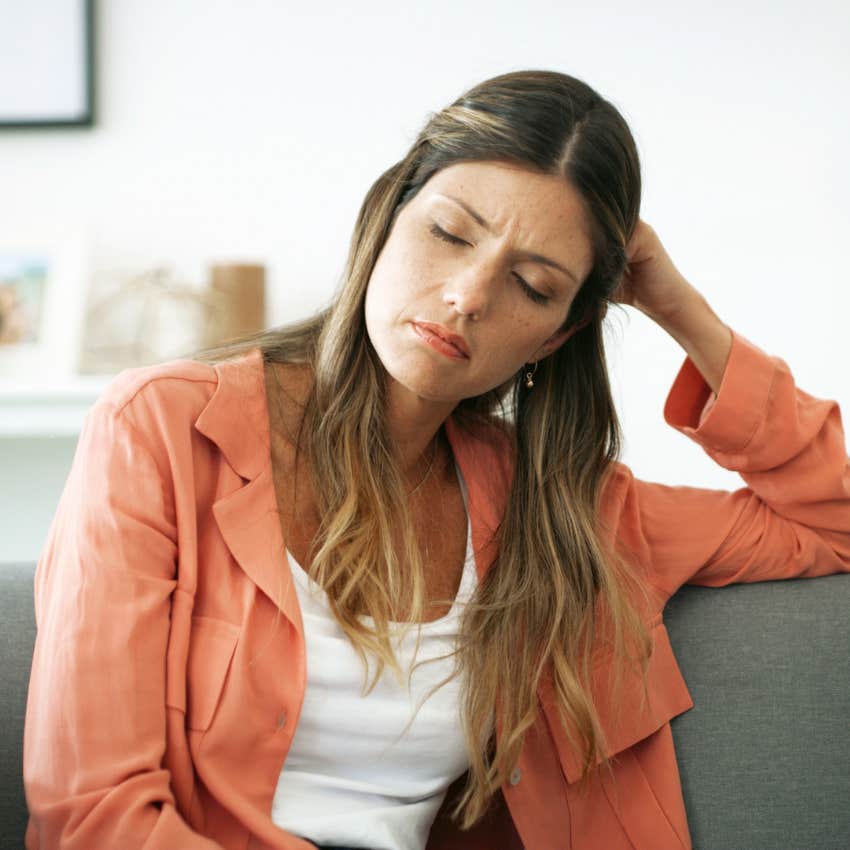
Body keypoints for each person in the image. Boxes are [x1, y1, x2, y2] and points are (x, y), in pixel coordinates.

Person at [22, 69, 850, 850]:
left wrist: (680, 308)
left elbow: (833, 522)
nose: (468, 295)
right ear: (388, 215)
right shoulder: (163, 428)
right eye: (450, 233)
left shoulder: (558, 510)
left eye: (532, 286)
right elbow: (97, 815)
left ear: (556, 337)